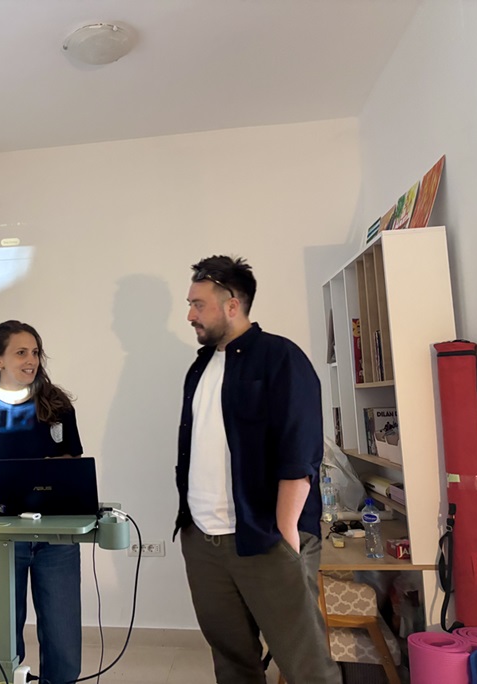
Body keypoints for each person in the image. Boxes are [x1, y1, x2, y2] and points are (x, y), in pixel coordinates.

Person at [173, 256, 341, 683]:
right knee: (233, 661)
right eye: (190, 304)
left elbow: (300, 451)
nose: (190, 315)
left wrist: (286, 532)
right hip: (203, 541)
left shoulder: (280, 357)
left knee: (305, 666)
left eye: (198, 304)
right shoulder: (200, 367)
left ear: (232, 305)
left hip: (266, 536)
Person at [0, 320, 84, 684]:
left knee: (64, 645)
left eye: (35, 352)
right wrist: (20, 476)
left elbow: (70, 465)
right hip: (1, 538)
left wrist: (17, 475)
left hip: (57, 539)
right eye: (21, 352)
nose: (31, 360)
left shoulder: (57, 406)